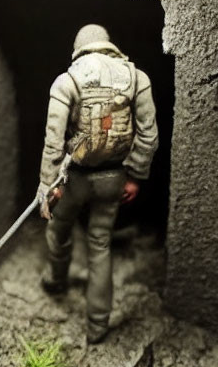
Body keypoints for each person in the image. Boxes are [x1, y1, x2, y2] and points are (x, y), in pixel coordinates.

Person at [38, 24, 158, 343]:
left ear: (79, 48)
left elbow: (53, 143)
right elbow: (148, 135)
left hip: (75, 177)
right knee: (100, 244)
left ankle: (56, 280)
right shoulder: (137, 78)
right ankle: (98, 324)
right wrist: (135, 176)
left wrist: (49, 186)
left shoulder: (67, 81)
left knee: (58, 229)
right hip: (114, 178)